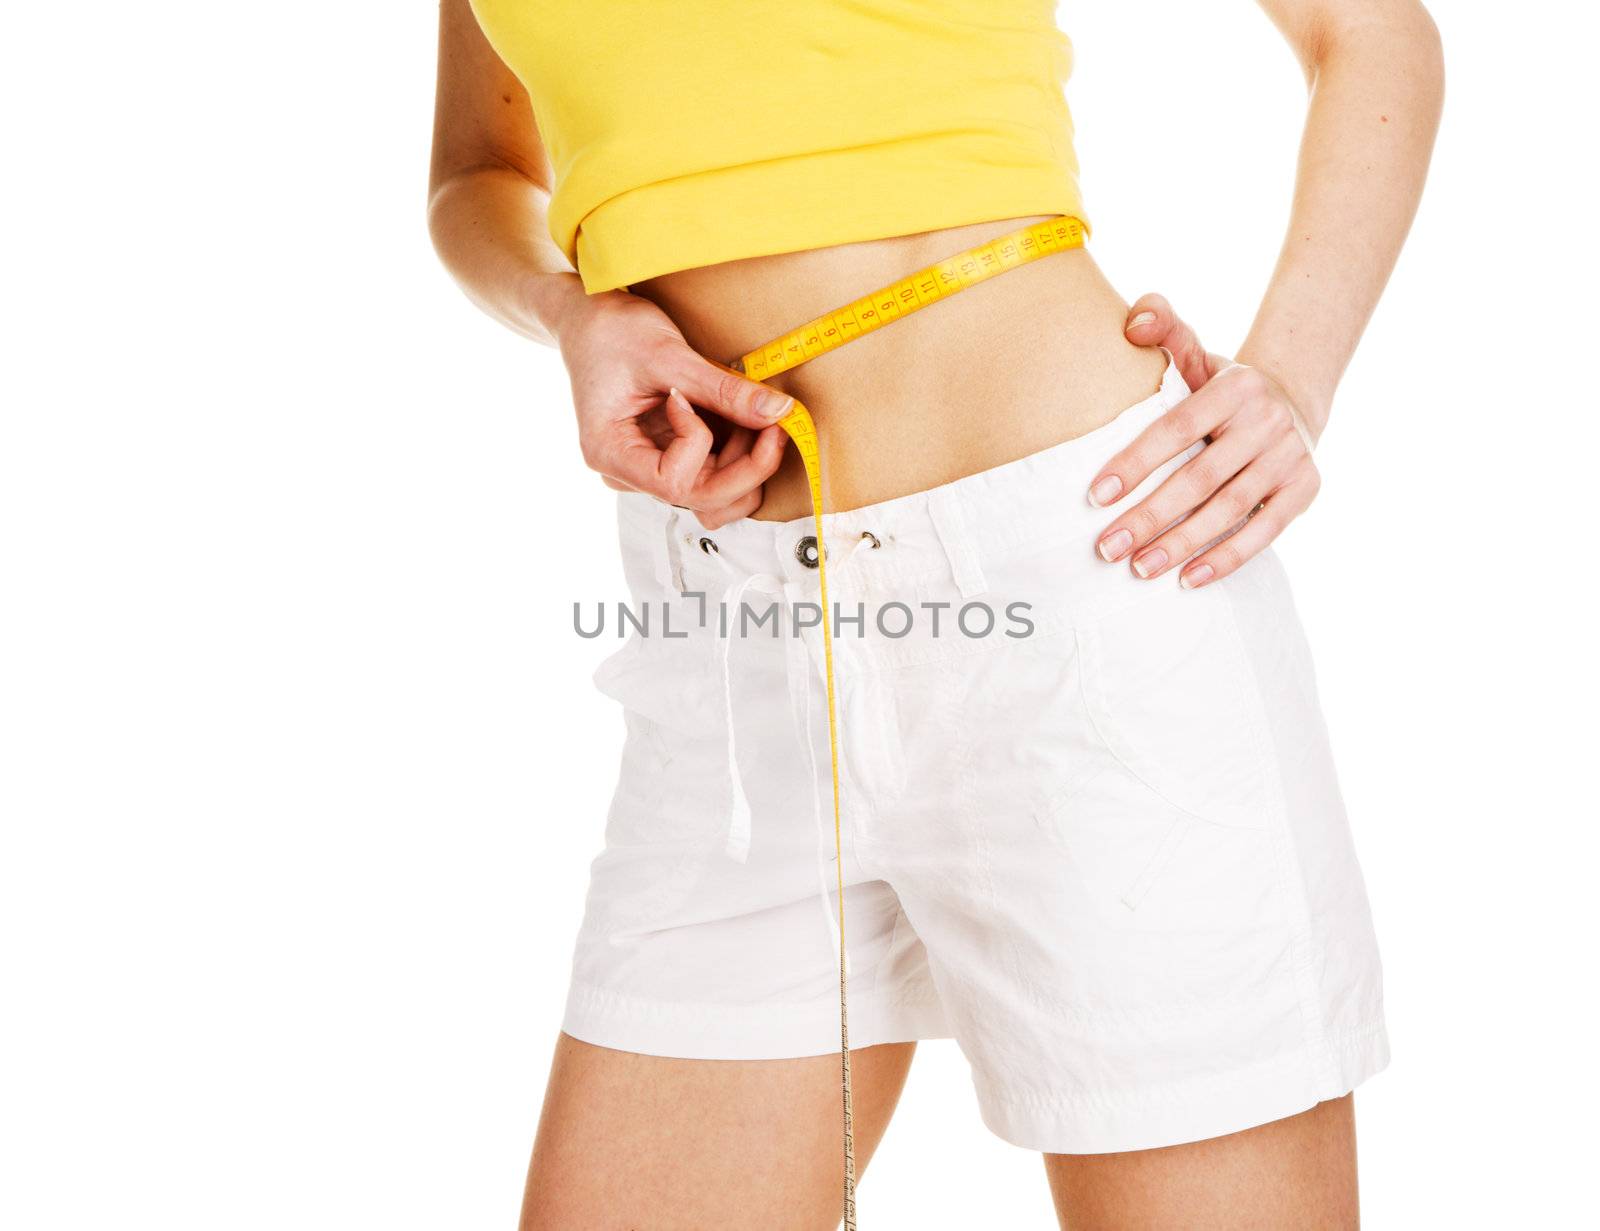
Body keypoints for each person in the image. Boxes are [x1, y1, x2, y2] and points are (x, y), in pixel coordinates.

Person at [427, 1, 1443, 1225]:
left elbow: (1368, 30)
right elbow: (479, 171)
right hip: (727, 636)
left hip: (1083, 576)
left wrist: (1292, 377)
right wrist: (570, 311)